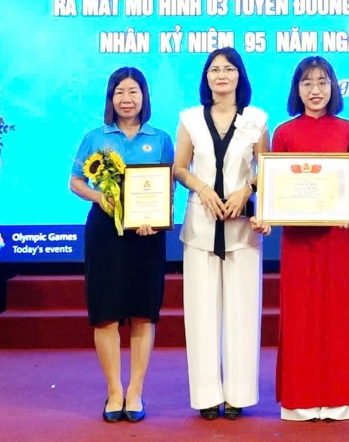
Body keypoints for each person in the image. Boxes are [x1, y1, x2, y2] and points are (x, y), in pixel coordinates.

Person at [69, 67, 173, 424]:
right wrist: (100, 197)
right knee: (106, 313)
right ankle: (114, 390)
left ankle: (135, 391)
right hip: (105, 232)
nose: (127, 99)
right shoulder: (96, 137)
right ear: (110, 98)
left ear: (144, 97)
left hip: (147, 234)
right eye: (120, 92)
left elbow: (168, 188)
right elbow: (75, 182)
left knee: (144, 312)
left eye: (133, 92)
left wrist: (155, 218)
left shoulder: (160, 139)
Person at [172, 47, 269, 420]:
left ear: (239, 76)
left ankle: (238, 395)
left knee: (243, 312)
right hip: (201, 225)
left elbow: (266, 167)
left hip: (242, 227)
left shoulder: (257, 119)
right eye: (214, 69)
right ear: (206, 77)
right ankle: (207, 396)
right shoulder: (190, 119)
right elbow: (180, 168)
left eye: (229, 69)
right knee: (201, 313)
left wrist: (248, 189)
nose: (221, 75)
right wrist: (202, 188)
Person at [266, 56, 349, 421]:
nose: (315, 90)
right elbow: (276, 185)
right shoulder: (284, 133)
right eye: (307, 83)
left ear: (333, 87)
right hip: (297, 239)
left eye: (322, 82)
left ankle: (338, 399)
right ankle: (299, 400)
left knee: (337, 314)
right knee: (300, 314)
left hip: (337, 237)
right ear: (297, 89)